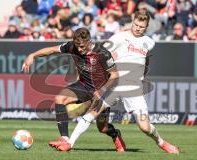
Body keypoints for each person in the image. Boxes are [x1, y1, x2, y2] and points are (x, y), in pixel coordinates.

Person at [58, 11, 180, 154]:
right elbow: (101, 54)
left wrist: (142, 74)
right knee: (92, 113)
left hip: (134, 88)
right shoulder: (119, 37)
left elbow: (144, 59)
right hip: (115, 84)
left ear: (146, 27)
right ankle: (70, 143)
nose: (138, 28)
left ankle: (162, 143)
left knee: (145, 127)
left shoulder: (149, 42)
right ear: (132, 21)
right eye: (136, 24)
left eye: (141, 26)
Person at [21, 27, 125, 152]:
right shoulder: (72, 47)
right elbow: (51, 51)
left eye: (82, 46)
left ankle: (115, 135)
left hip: (101, 91)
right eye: (77, 46)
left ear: (89, 42)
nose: (79, 50)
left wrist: (102, 90)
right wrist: (33, 55)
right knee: (60, 98)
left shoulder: (102, 53)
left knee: (102, 128)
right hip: (84, 86)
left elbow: (114, 75)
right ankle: (64, 138)